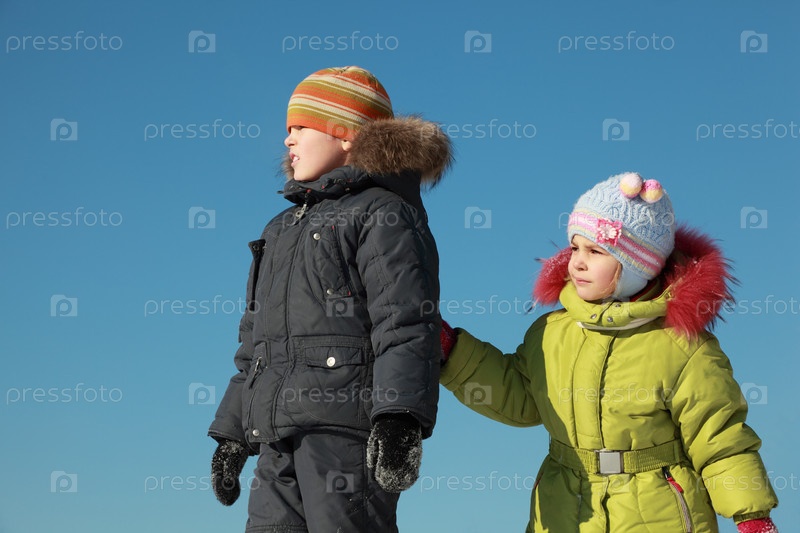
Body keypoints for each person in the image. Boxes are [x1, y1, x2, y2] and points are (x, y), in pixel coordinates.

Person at [439, 172, 779, 532]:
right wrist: (454, 352)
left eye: (596, 251)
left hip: (658, 511)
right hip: (565, 507)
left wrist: (752, 516)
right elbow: (521, 396)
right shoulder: (551, 333)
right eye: (575, 247)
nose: (577, 262)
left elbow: (720, 438)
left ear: (637, 265)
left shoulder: (681, 347)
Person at [207, 66, 452, 532]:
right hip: (274, 437)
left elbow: (404, 322)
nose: (287, 139)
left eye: (300, 127)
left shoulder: (383, 214)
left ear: (345, 135)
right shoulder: (280, 229)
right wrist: (232, 433)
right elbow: (254, 346)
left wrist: (399, 417)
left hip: (343, 432)